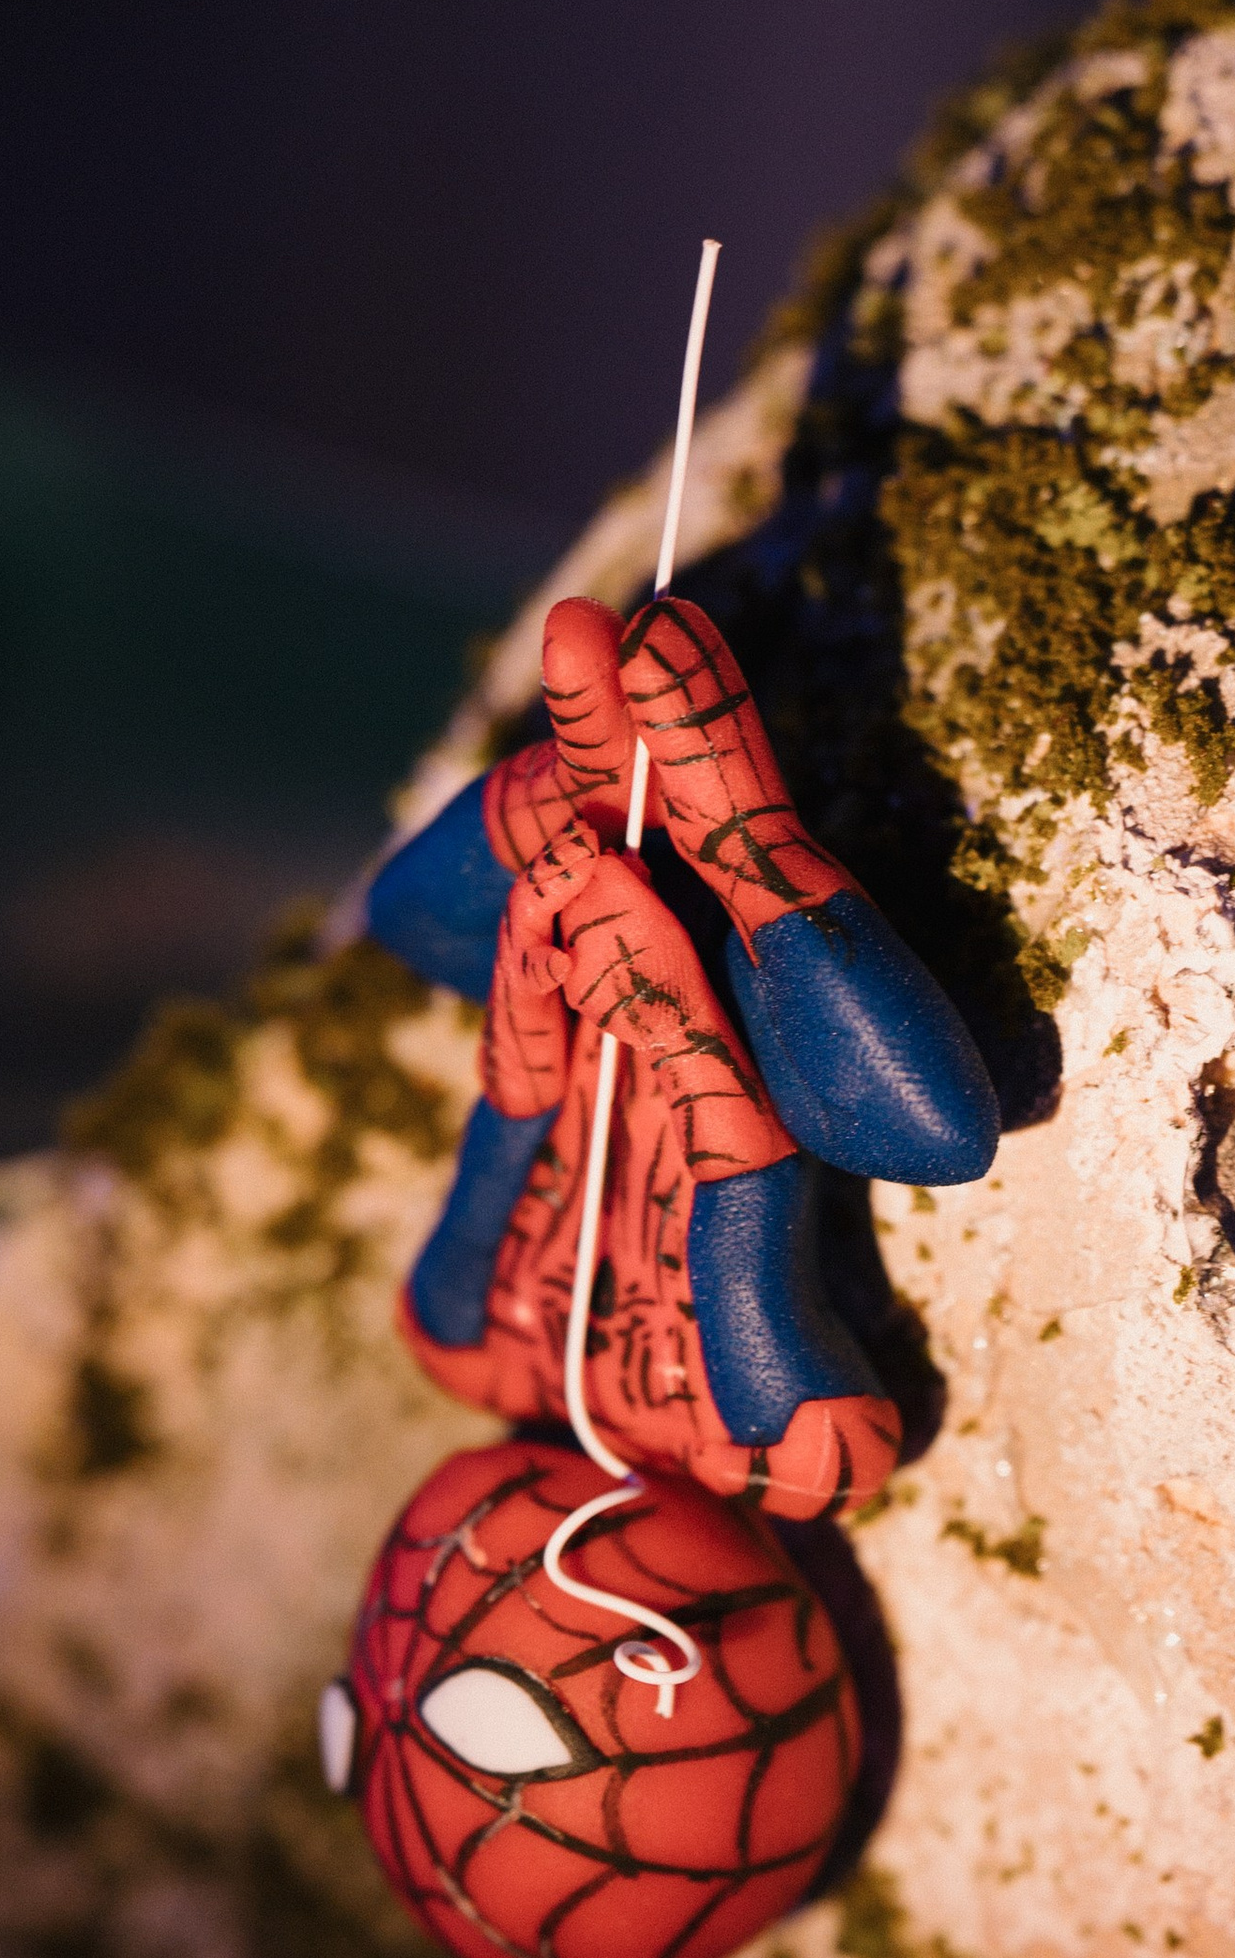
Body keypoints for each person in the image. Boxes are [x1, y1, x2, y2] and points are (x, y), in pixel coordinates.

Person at [363, 592, 998, 1518]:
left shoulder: (466, 1352)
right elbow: (830, 1438)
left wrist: (524, 980)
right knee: (933, 1137)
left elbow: (499, 1139)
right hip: (755, 1024)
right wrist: (684, 1040)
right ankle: (749, 844)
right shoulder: (734, 1445)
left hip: (578, 984)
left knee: (406, 918)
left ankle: (581, 786)